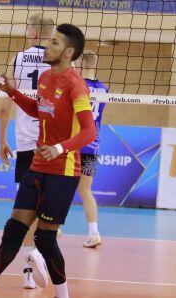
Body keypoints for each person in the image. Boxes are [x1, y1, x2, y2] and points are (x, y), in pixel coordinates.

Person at [0, 23, 96, 298]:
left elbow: (89, 131)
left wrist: (60, 147)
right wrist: (11, 91)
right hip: (37, 166)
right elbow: (38, 110)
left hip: (62, 171)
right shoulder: (45, 78)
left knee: (44, 237)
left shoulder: (76, 86)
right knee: (13, 230)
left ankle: (62, 295)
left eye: (54, 43)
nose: (47, 46)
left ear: (68, 52)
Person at [0, 13, 54, 290]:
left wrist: (1, 139)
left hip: (24, 142)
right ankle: (36, 256)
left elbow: (6, 102)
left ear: (32, 33)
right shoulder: (61, 61)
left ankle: (30, 271)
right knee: (47, 211)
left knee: (25, 208)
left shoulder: (17, 59)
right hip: (51, 143)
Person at [77, 51, 107, 249]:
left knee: (60, 186)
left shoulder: (78, 85)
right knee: (86, 190)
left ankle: (53, 227)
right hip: (93, 144)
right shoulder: (103, 89)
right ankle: (94, 232)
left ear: (80, 63)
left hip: (75, 143)